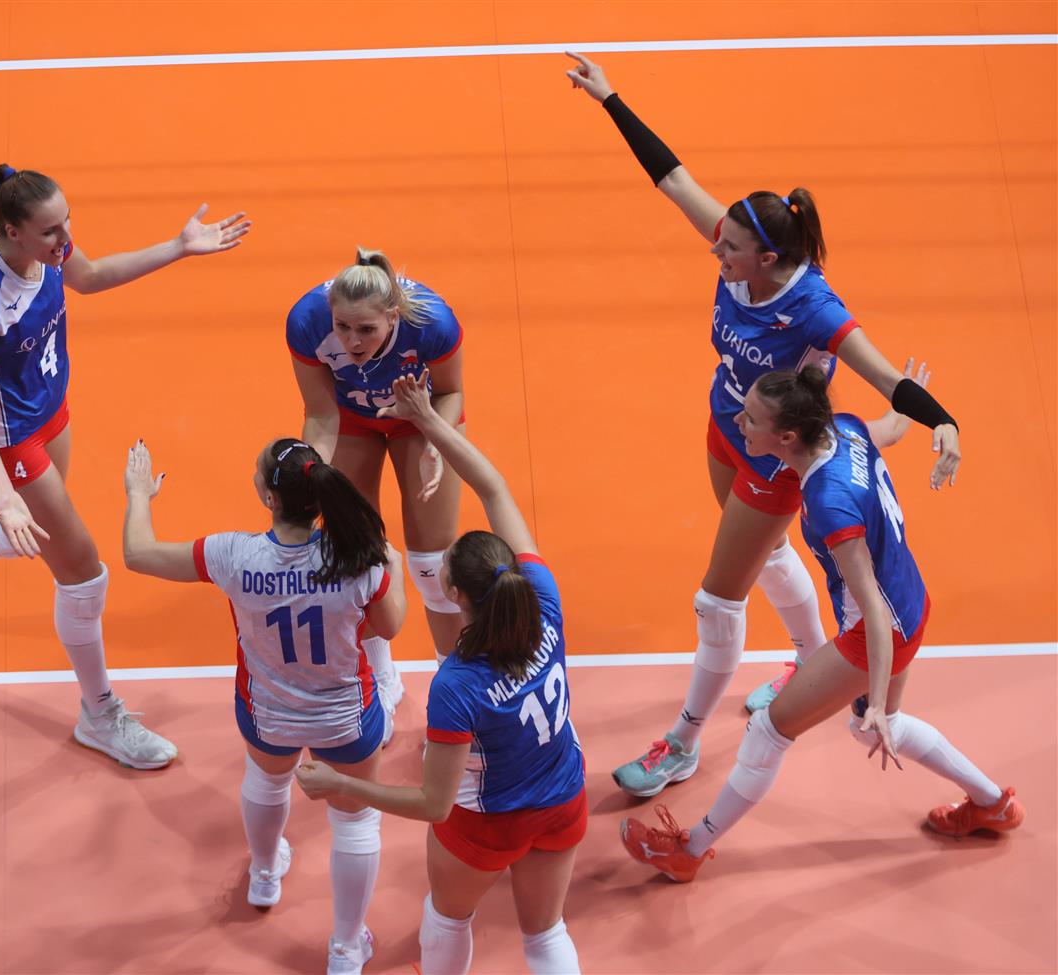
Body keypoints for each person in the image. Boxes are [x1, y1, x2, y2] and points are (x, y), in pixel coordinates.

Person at [564, 53, 964, 796]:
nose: (715, 248)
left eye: (729, 248)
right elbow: (673, 179)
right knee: (768, 552)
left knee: (717, 598)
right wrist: (610, 99)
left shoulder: (813, 309)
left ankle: (683, 744)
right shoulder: (740, 251)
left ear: (767, 256)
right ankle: (809, 655)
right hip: (729, 422)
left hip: (774, 454)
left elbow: (885, 377)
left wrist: (942, 421)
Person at [0, 164, 250, 769]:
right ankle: (99, 713)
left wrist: (178, 248)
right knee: (81, 571)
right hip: (10, 441)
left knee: (31, 537)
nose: (65, 239)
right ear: (12, 230)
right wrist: (2, 491)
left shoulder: (47, 251)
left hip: (51, 412)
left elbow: (91, 277)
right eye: (51, 231)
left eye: (66, 223)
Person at [620, 367, 1023, 883]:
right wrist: (914, 401)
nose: (738, 421)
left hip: (878, 630)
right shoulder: (844, 428)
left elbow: (872, 609)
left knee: (768, 732)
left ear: (787, 437)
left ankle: (688, 851)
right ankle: (992, 803)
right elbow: (891, 427)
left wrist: (876, 697)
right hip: (912, 600)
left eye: (751, 419)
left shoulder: (830, 505)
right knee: (879, 725)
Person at [296, 372, 586, 975]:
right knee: (546, 934)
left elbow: (433, 804)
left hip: (488, 824)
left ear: (452, 595)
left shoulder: (457, 685)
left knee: (449, 919)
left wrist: (342, 784)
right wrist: (429, 421)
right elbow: (494, 487)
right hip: (564, 798)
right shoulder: (543, 597)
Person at [122, 437, 406, 974]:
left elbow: (138, 554)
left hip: (267, 713)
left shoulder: (233, 555)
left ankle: (264, 873)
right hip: (345, 721)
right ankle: (346, 949)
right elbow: (388, 628)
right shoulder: (358, 560)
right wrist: (393, 564)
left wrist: (139, 494)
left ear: (270, 499)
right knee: (355, 824)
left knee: (268, 780)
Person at [287, 248, 466, 720]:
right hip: (351, 419)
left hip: (420, 417)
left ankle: (453, 690)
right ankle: (380, 681)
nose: (352, 340)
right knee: (355, 555)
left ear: (393, 317)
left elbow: (451, 391)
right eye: (343, 327)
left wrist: (436, 443)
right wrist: (312, 474)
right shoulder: (306, 322)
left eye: (366, 329)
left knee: (433, 565)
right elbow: (320, 413)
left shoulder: (433, 322)